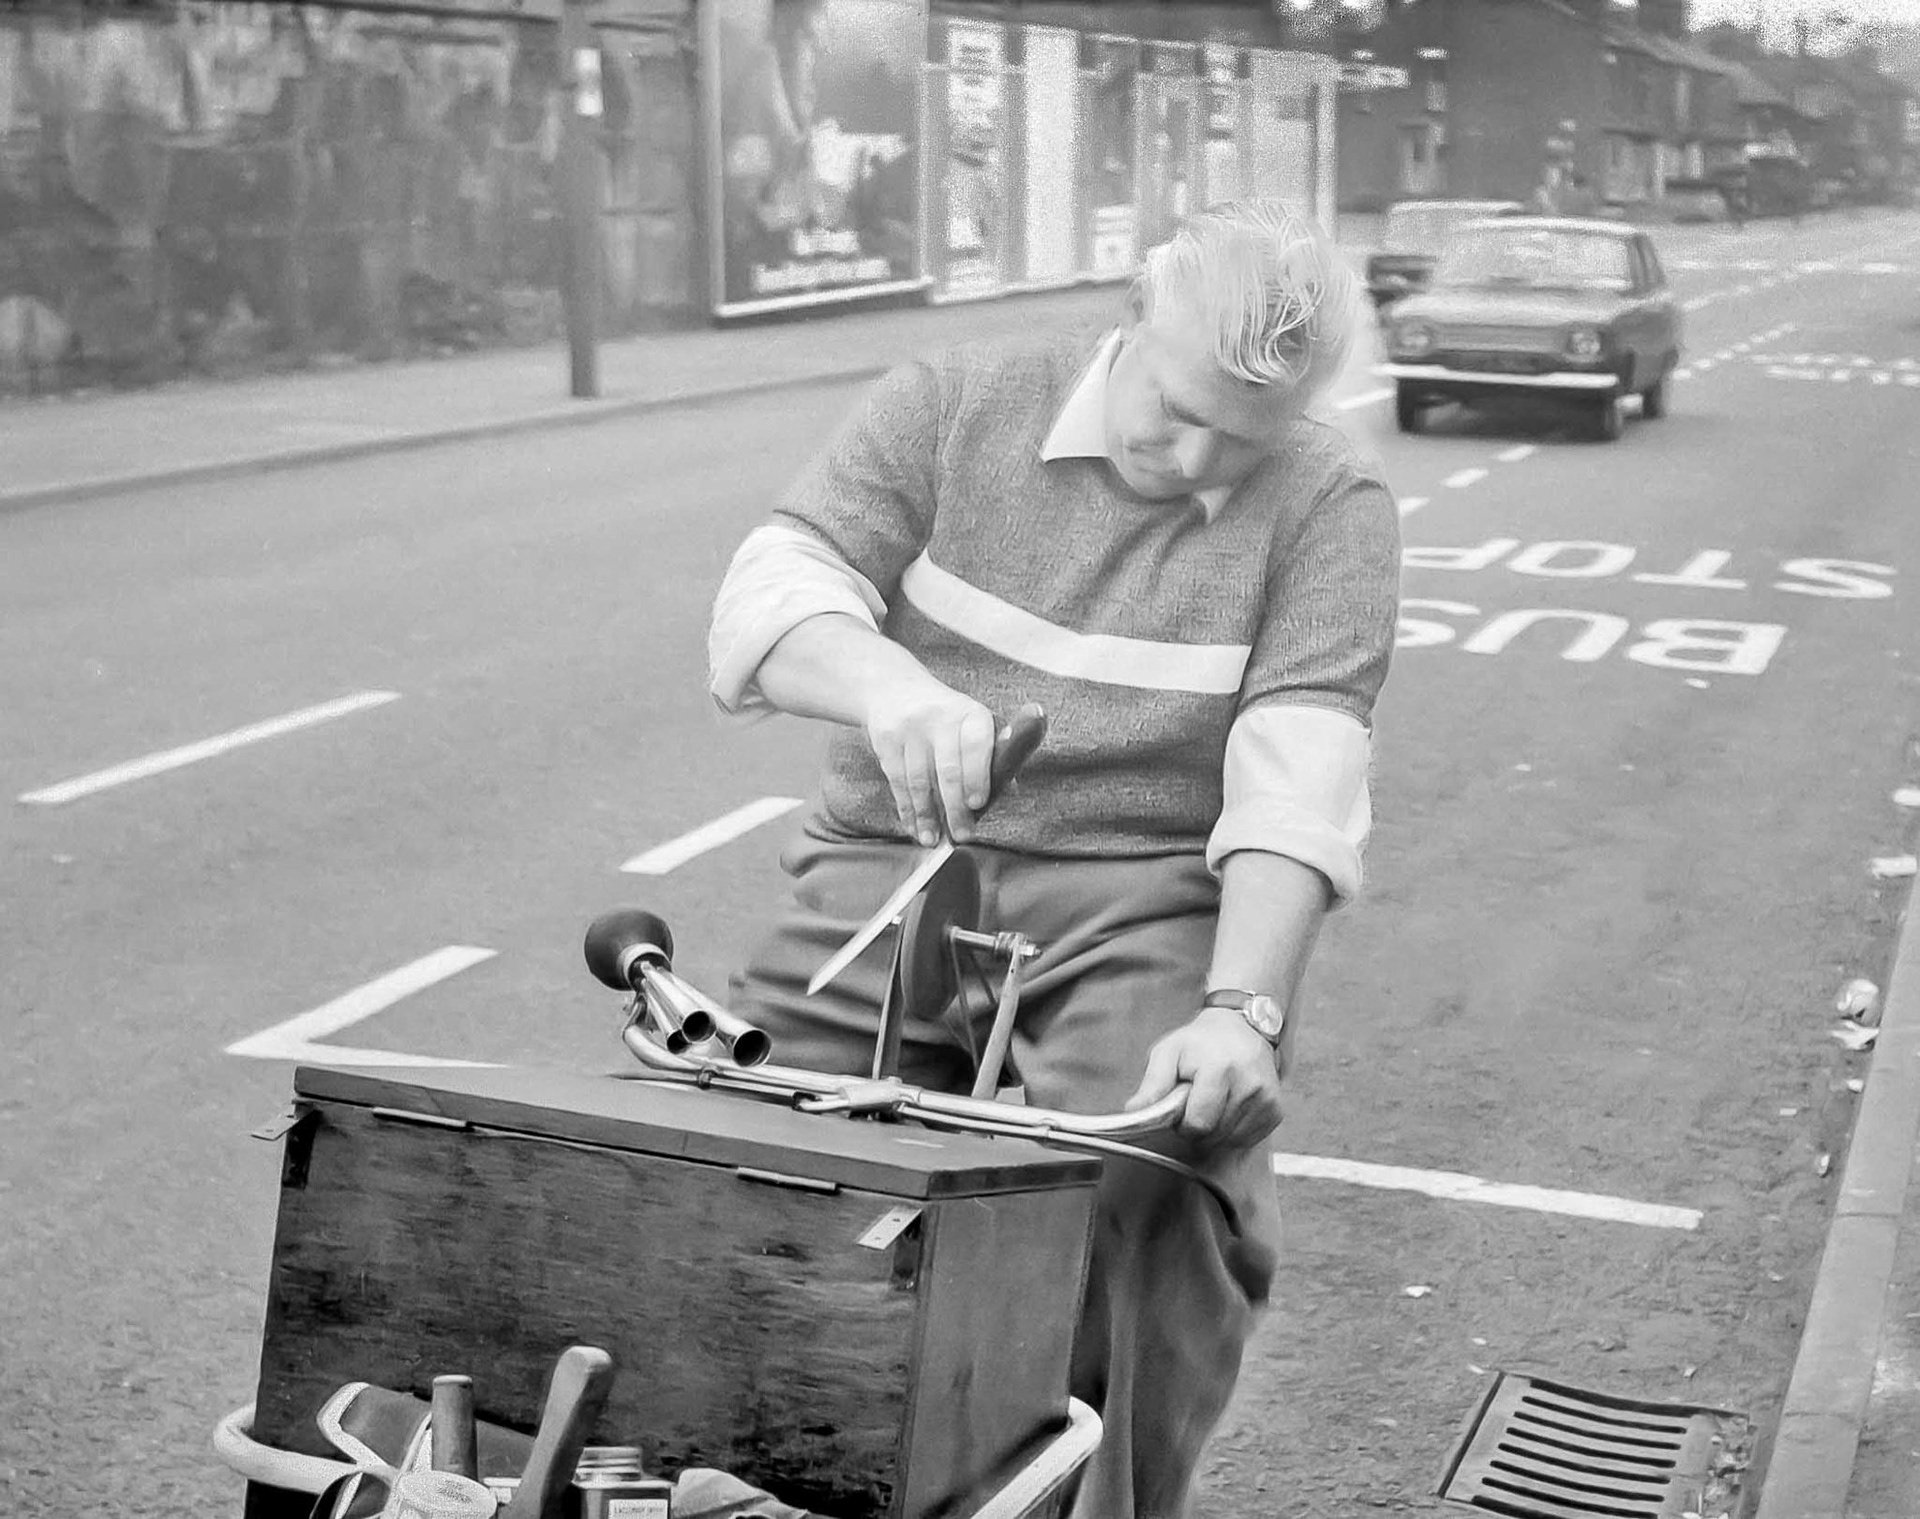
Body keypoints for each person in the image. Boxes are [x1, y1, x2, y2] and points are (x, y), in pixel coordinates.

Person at [705, 198, 1401, 1519]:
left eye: (1241, 442)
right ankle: (764, 1477)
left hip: (1140, 885)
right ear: (1130, 318)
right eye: (1178, 407)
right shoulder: (954, 398)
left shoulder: (1333, 495)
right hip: (901, 852)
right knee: (749, 1142)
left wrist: (1241, 1012)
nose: (1197, 458)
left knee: (1157, 1161)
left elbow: (1301, 770)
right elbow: (771, 593)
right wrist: (890, 691)